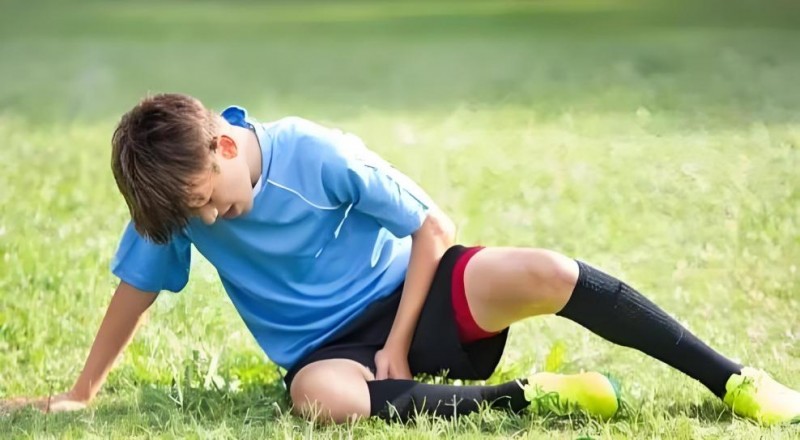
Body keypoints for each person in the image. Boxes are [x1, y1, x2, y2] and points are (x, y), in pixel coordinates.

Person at [3, 93, 798, 425]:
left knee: (550, 270)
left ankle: (732, 379)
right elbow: (134, 287)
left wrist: (396, 339)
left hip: (421, 298)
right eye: (194, 214)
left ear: (222, 142)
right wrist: (81, 392)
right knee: (321, 400)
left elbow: (432, 226)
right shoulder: (173, 198)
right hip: (331, 354)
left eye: (210, 198)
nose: (209, 218)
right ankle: (533, 397)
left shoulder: (312, 153)